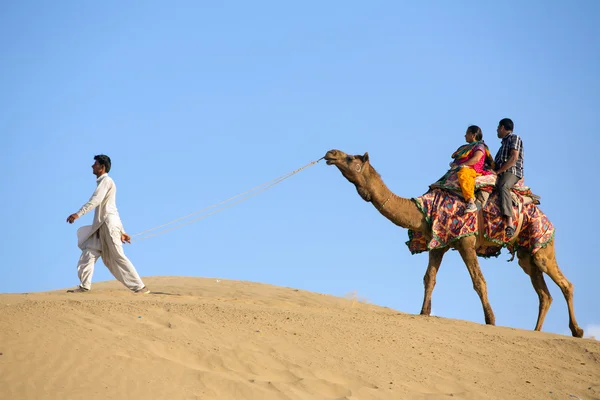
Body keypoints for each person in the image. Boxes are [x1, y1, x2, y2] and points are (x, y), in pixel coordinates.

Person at [66, 155, 150, 294]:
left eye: (95, 164)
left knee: (117, 257)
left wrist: (78, 214)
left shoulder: (106, 181)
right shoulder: (103, 182)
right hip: (100, 226)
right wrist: (122, 231)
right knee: (89, 253)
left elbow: (96, 200)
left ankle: (140, 287)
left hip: (108, 225)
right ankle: (84, 286)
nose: (92, 166)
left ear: (102, 167)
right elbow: (112, 207)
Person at [450, 125, 495, 212]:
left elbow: (476, 159)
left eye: (467, 133)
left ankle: (470, 202)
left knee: (464, 173)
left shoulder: (480, 146)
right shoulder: (465, 147)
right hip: (458, 169)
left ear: (473, 135)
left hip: (473, 170)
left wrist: (461, 165)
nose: (465, 135)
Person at [493, 118, 524, 238]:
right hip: (501, 172)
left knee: (503, 186)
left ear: (502, 127)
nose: (496, 130)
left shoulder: (514, 138)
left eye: (498, 128)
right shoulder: (502, 146)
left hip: (512, 171)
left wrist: (499, 171)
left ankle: (509, 223)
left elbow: (514, 158)